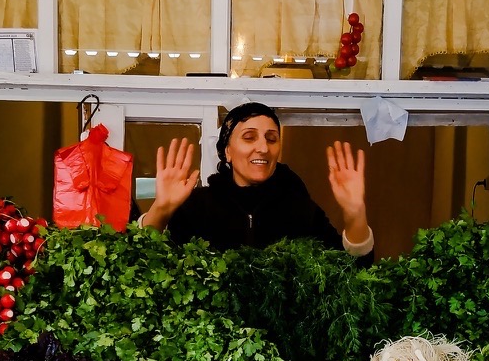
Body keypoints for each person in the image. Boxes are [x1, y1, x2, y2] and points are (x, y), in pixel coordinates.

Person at [138, 102, 374, 255]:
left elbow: (349, 272)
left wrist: (356, 215)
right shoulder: (196, 207)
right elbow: (144, 262)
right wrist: (161, 209)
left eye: (271, 139)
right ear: (227, 151)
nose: (263, 147)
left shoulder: (300, 208)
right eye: (249, 137)